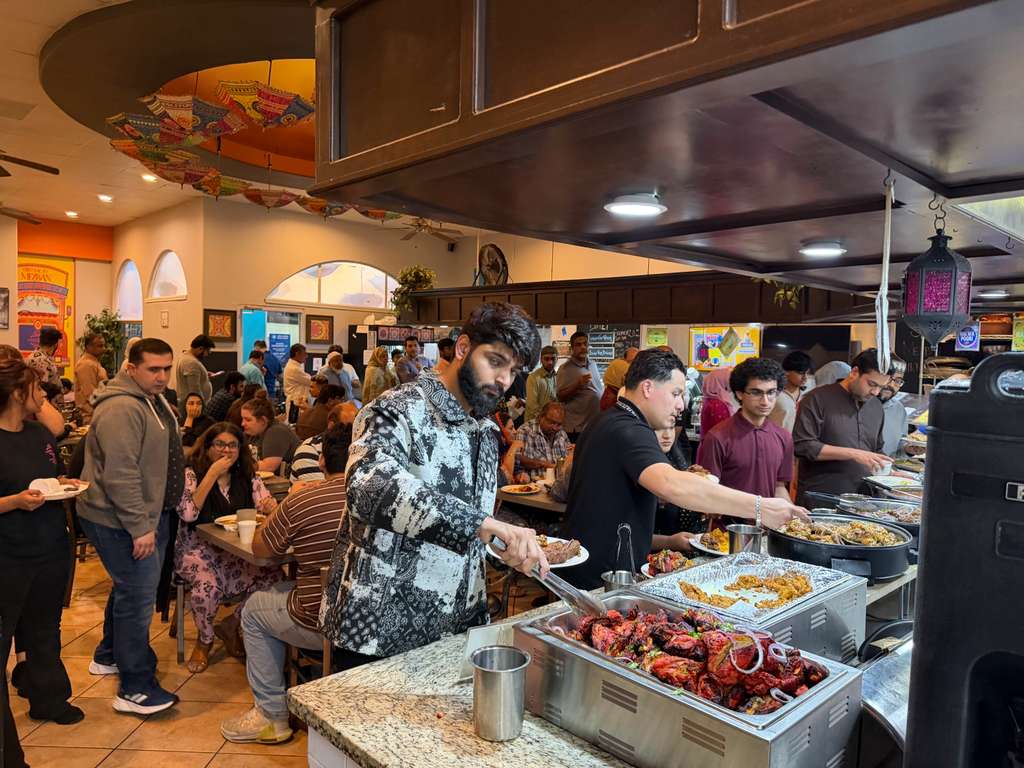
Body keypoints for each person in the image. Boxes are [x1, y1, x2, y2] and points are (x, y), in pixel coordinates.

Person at [320, 302, 549, 660]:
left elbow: (471, 530)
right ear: (462, 348)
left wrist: (511, 548)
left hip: (456, 628)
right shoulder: (397, 408)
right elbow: (368, 487)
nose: (504, 379)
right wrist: (482, 523)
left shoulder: (485, 431)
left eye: (513, 369)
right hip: (377, 634)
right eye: (495, 361)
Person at [560, 349, 808, 589]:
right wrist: (760, 506)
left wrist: (669, 539)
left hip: (595, 566)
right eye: (676, 393)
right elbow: (671, 485)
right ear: (647, 388)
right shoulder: (629, 429)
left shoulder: (610, 419)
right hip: (600, 577)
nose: (681, 405)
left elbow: (615, 500)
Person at [220, 424, 352, 744]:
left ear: (321, 462)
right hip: (371, 618)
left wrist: (279, 514)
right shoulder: (387, 499)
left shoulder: (303, 501)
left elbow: (262, 550)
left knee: (252, 609)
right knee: (281, 592)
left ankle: (272, 715)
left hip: (319, 620)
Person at [77, 338, 184, 715]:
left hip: (148, 514)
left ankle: (108, 655)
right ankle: (134, 687)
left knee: (128, 589)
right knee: (138, 597)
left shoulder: (150, 399)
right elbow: (120, 474)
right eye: (154, 369)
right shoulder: (122, 407)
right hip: (120, 519)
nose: (162, 376)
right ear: (131, 368)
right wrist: (140, 526)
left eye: (167, 368)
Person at [0, 358, 85, 763]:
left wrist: (62, 484)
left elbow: (52, 469)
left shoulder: (38, 434)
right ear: (17, 393)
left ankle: (47, 697)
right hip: (8, 557)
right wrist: (15, 502)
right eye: (35, 389)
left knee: (44, 630)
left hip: (49, 549)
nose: (44, 395)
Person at [174, 422, 281, 672]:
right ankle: (204, 641)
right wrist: (211, 474)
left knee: (273, 576)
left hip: (235, 549)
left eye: (232, 445)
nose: (227, 450)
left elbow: (264, 500)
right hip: (196, 550)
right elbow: (188, 514)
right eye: (220, 444)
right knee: (207, 586)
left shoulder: (246, 475)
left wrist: (268, 505)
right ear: (208, 447)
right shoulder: (190, 474)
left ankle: (232, 624)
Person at [793, 348, 892, 505]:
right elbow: (803, 446)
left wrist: (892, 472)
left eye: (882, 387)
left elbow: (876, 449)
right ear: (854, 372)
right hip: (821, 499)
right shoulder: (816, 399)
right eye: (872, 384)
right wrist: (853, 454)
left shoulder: (876, 406)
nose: (875, 392)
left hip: (864, 502)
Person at [697, 358, 795, 507]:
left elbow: (779, 487)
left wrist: (792, 514)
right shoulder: (718, 437)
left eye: (771, 393)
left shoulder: (783, 437)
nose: (765, 401)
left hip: (769, 526)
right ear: (740, 393)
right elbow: (708, 492)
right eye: (756, 393)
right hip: (728, 527)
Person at [652, 426, 706, 542]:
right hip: (653, 556)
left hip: (689, 549)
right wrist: (669, 541)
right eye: (658, 429)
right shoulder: (641, 471)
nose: (667, 435)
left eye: (671, 427)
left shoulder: (677, 458)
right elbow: (632, 535)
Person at [289, 402, 357, 485]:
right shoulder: (309, 450)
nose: (354, 432)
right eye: (348, 427)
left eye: (359, 426)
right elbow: (323, 492)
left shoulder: (360, 448)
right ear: (331, 425)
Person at [556, 331, 603, 441]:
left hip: (593, 423)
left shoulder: (593, 364)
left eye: (585, 344)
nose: (582, 347)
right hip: (577, 428)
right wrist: (577, 385)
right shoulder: (565, 369)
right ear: (572, 348)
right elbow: (560, 397)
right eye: (578, 344)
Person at [241, 396, 301, 476]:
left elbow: (269, 466)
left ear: (263, 420)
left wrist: (238, 465)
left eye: (248, 420)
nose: (243, 423)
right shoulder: (253, 433)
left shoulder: (276, 432)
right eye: (242, 419)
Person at [515, 401, 570, 479]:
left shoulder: (562, 433)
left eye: (559, 424)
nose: (555, 428)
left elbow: (569, 459)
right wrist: (544, 464)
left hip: (559, 484)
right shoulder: (525, 431)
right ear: (541, 417)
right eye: (551, 422)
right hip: (534, 485)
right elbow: (517, 458)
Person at [769, 350, 813, 433]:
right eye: (801, 373)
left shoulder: (808, 394)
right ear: (786, 372)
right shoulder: (774, 395)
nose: (805, 377)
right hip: (776, 442)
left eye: (808, 373)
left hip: (801, 442)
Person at [74, 331, 108, 424]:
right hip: (90, 416)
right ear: (88, 347)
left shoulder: (94, 362)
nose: (103, 349)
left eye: (103, 346)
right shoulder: (86, 364)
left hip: (96, 413)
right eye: (100, 346)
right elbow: (90, 393)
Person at [175, 334, 216, 404]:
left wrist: (205, 374)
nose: (208, 354)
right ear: (200, 349)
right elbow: (195, 390)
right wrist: (200, 405)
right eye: (208, 350)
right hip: (193, 405)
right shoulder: (190, 362)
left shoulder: (186, 356)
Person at [879, 368, 909, 457]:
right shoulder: (858, 405)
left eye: (898, 381)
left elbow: (898, 447)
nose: (891, 385)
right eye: (888, 377)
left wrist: (907, 449)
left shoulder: (899, 409)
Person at [525, 345, 558, 422]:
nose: (550, 362)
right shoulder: (533, 377)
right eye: (546, 359)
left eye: (553, 358)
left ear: (557, 359)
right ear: (541, 360)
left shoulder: (558, 377)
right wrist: (547, 419)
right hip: (534, 422)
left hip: (551, 422)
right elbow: (532, 405)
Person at [699, 367, 736, 437]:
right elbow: (724, 432)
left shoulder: (710, 400)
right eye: (728, 380)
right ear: (720, 382)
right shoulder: (718, 405)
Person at [600, 346, 638, 411]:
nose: (634, 365)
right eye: (632, 361)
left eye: (636, 361)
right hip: (611, 400)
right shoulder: (619, 365)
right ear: (624, 359)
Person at [283, 343, 311, 419]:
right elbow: (310, 381)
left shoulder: (295, 366)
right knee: (295, 426)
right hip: (295, 403)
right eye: (305, 354)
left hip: (297, 401)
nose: (306, 356)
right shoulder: (294, 368)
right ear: (297, 354)